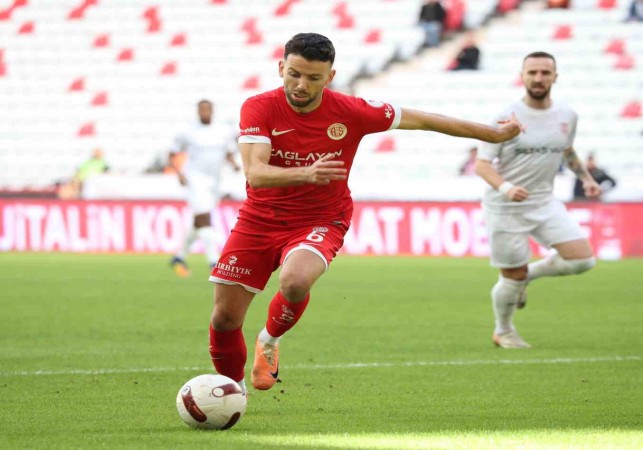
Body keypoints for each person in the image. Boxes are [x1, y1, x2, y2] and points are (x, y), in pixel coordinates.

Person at [206, 33, 523, 394]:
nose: (301, 85)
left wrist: (492, 135)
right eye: (294, 74)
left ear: (330, 76)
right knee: (225, 317)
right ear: (281, 68)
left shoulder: (351, 110)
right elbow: (256, 174)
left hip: (320, 219)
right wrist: (307, 173)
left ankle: (269, 338)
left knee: (295, 281)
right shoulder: (259, 107)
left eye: (313, 77)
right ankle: (233, 392)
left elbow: (423, 119)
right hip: (259, 219)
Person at [475, 51, 600, 349]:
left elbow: (566, 150)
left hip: (544, 201)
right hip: (505, 207)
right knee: (511, 275)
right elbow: (482, 164)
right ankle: (504, 331)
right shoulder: (506, 117)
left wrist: (586, 178)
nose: (538, 78)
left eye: (545, 72)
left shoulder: (567, 115)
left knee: (582, 259)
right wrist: (506, 188)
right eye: (532, 72)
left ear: (555, 77)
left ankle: (528, 276)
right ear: (522, 77)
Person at [169, 100, 240, 277]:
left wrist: (234, 165)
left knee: (199, 221)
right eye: (202, 109)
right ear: (198, 111)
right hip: (195, 179)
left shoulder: (222, 130)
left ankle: (179, 257)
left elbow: (228, 152)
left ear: (212, 111)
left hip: (215, 181)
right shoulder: (188, 131)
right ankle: (214, 261)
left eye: (208, 109)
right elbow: (172, 153)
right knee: (204, 218)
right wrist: (179, 173)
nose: (205, 112)